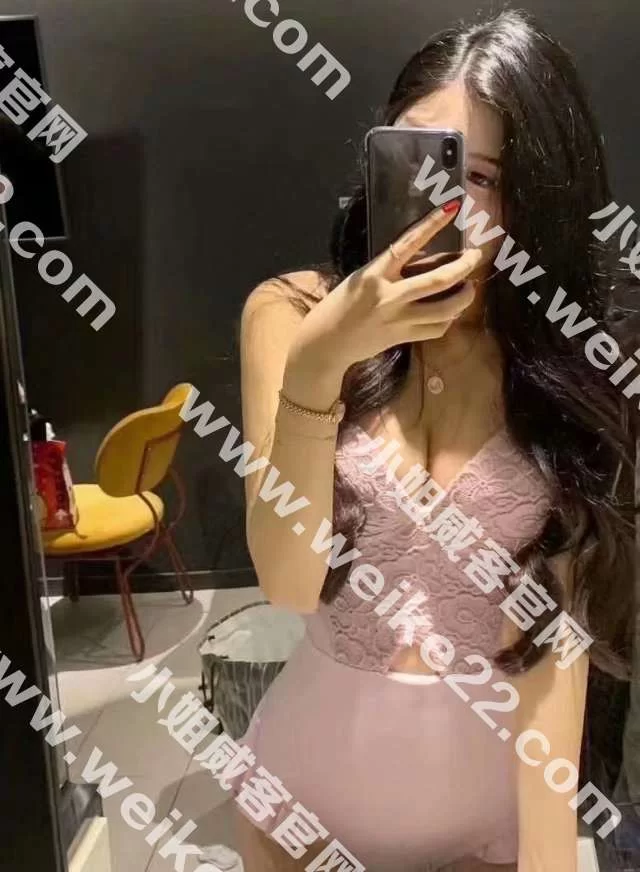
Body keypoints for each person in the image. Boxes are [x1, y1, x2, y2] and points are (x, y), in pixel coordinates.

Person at [233, 8, 636, 871]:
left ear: (539, 198)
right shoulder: (291, 315)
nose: (445, 199)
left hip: (487, 827)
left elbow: (554, 657)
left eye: (480, 174)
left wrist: (551, 855)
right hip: (299, 811)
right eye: (419, 156)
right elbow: (289, 580)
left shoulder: (569, 370)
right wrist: (318, 368)